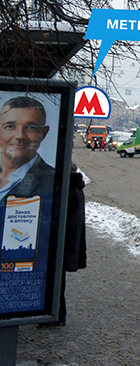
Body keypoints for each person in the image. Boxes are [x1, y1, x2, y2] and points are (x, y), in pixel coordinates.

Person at [40, 162, 86, 327]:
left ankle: (57, 315)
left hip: (62, 243)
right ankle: (57, 313)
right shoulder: (74, 187)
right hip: (66, 243)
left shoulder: (68, 190)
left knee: (55, 279)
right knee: (57, 278)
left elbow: (59, 218)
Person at [0, 95, 55, 203]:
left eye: (31, 128)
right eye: (10, 126)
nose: (20, 136)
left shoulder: (57, 182)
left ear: (44, 133)